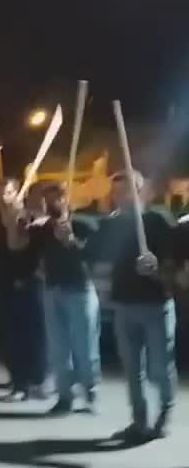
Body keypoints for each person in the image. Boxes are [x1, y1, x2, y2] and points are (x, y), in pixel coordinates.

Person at [94, 171, 179, 441]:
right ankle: (139, 421)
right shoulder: (112, 225)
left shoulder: (157, 221)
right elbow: (93, 254)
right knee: (132, 370)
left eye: (126, 190)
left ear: (140, 192)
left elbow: (174, 266)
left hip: (155, 306)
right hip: (124, 306)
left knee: (159, 368)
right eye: (117, 192)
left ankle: (164, 412)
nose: (121, 197)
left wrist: (156, 269)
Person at [25, 182, 101, 414]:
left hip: (80, 290)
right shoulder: (42, 228)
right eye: (47, 199)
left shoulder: (83, 224)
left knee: (84, 346)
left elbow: (93, 256)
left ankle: (89, 387)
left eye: (55, 198)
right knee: (58, 349)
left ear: (66, 199)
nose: (50, 203)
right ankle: (64, 395)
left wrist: (70, 240)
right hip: (53, 290)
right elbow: (27, 246)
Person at [0, 179, 48, 402]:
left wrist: (15, 224)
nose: (4, 197)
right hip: (2, 286)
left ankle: (38, 380)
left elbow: (24, 248)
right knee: (9, 336)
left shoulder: (29, 222)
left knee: (35, 335)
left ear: (18, 194)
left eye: (9, 192)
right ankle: (19, 382)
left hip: (30, 284)